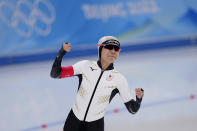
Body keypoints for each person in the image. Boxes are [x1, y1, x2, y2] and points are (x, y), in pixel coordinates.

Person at [50, 36, 144, 131]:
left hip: (95, 125)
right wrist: (61, 53)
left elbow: (133, 109)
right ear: (100, 48)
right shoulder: (85, 66)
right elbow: (55, 73)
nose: (113, 51)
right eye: (109, 47)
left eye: (116, 49)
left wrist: (139, 99)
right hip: (73, 121)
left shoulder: (119, 79)